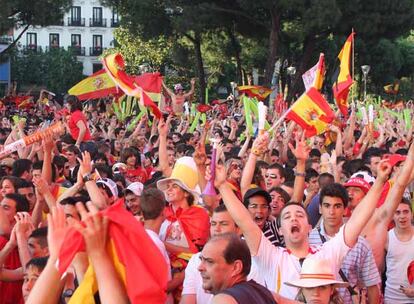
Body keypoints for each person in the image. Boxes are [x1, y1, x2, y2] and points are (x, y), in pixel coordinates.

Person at [213, 132, 392, 299]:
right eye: (287, 217)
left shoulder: (327, 254)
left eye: (299, 214)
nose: (293, 219)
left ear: (308, 227)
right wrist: (222, 185)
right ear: (280, 230)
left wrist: (380, 182)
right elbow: (244, 221)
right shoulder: (271, 256)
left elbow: (357, 220)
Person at [308, 183, 381, 303]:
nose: (331, 212)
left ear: (345, 209)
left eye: (337, 206)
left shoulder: (360, 244)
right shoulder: (308, 240)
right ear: (320, 208)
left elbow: (372, 285)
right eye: (327, 206)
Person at [198, 233, 278, 304]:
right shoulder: (265, 293)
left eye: (209, 261)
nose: (200, 267)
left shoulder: (223, 299)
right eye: (201, 260)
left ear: (236, 267)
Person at [140, 188, 174, 304]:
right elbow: (161, 288)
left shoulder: (142, 237)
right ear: (164, 212)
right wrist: (184, 275)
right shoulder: (154, 243)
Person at [384, 199, 414, 303]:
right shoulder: (386, 238)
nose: (402, 216)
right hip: (392, 298)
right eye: (397, 212)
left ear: (412, 214)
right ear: (392, 216)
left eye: (406, 211)